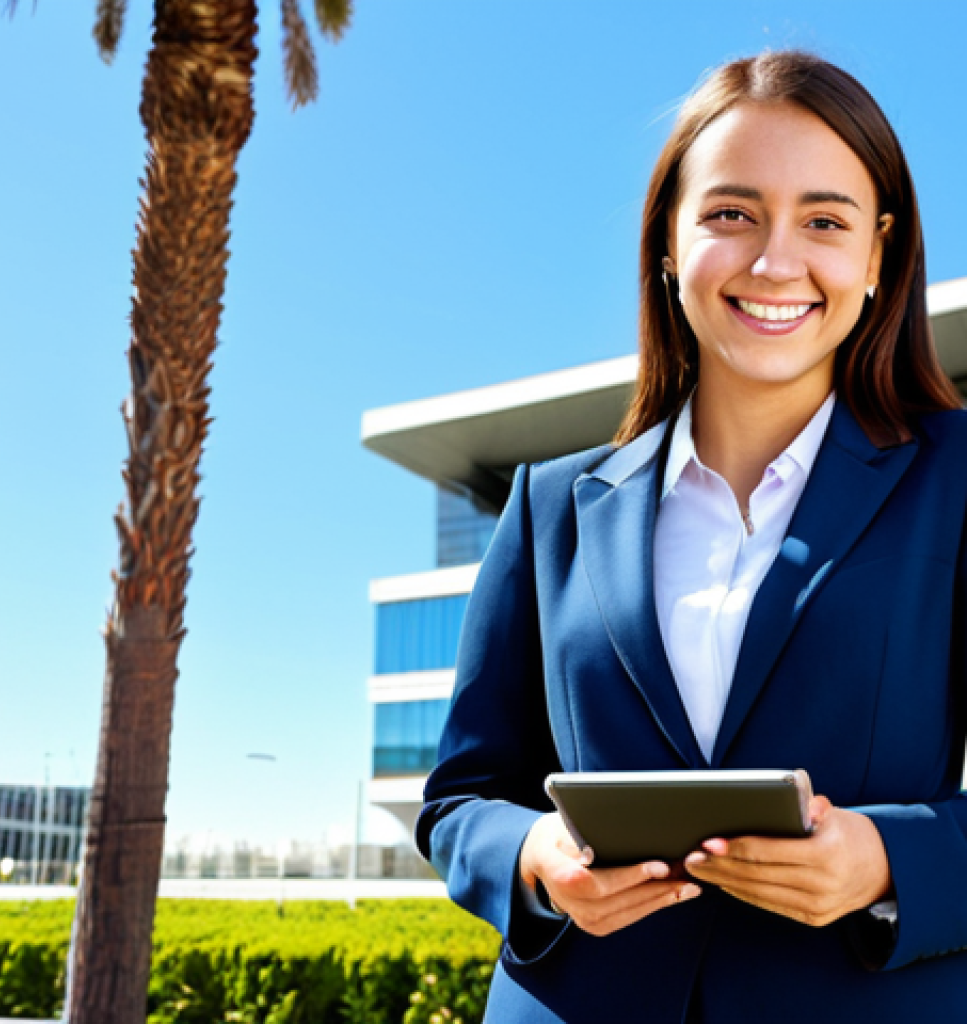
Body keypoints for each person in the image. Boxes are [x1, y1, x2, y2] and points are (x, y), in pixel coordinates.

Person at [414, 50, 967, 1023]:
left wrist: (886, 857)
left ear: (878, 254)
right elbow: (461, 795)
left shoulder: (956, 481)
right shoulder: (550, 503)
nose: (773, 261)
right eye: (730, 213)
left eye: (825, 221)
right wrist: (537, 858)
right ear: (668, 242)